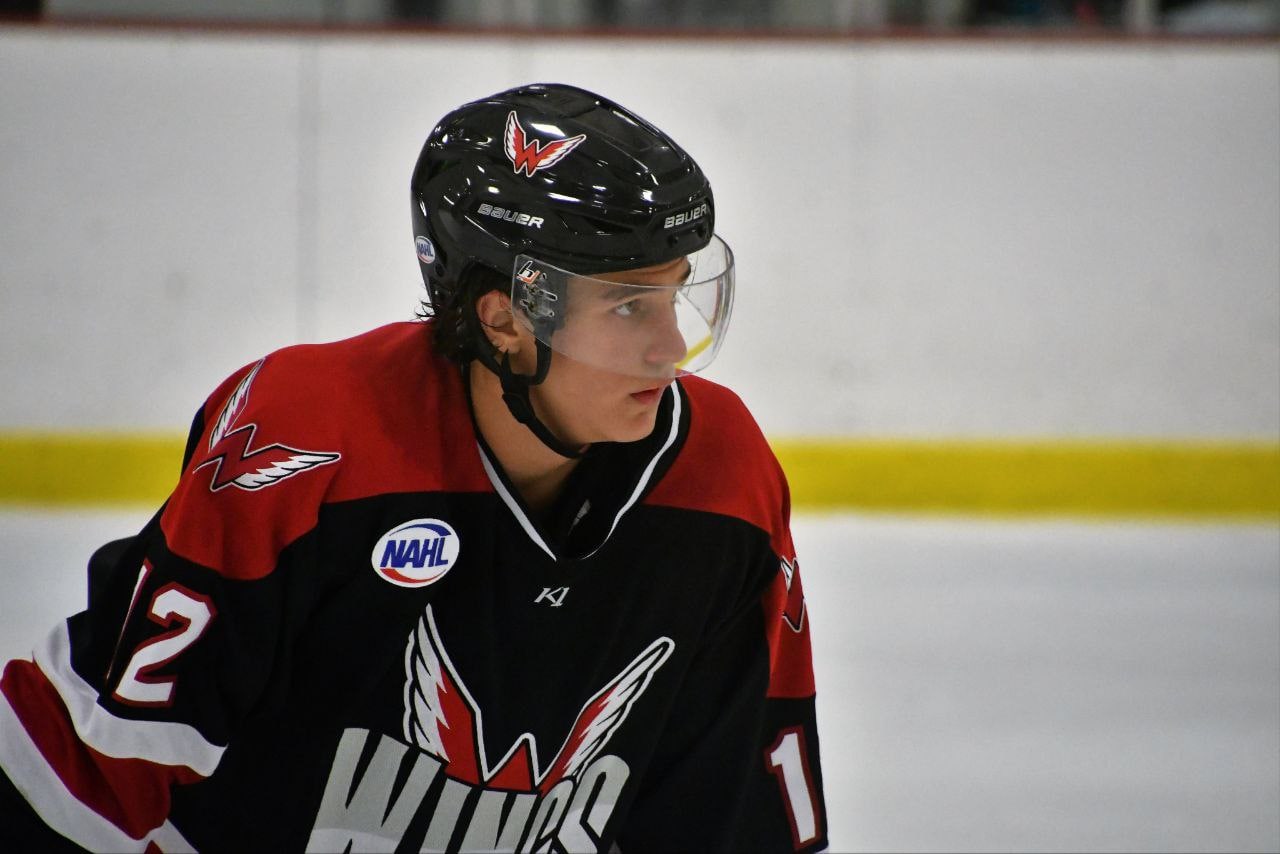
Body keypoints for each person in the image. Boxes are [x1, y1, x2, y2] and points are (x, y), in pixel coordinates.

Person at [0, 83, 827, 853]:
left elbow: (730, 817)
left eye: (675, 296)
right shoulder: (308, 440)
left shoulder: (724, 476)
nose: (670, 348)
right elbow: (78, 775)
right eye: (627, 306)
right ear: (504, 319)